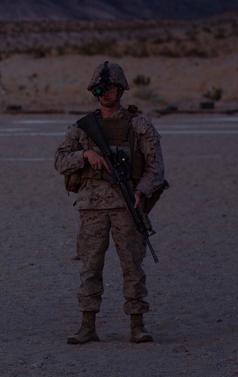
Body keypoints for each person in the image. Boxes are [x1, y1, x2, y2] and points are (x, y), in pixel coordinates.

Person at [54, 61, 166, 345]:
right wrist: (85, 157)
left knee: (132, 266)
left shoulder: (139, 126)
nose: (105, 94)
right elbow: (60, 161)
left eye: (111, 87)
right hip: (92, 207)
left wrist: (140, 191)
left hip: (127, 207)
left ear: (121, 89)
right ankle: (87, 325)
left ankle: (137, 325)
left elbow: (155, 168)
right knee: (90, 266)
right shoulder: (82, 129)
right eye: (100, 89)